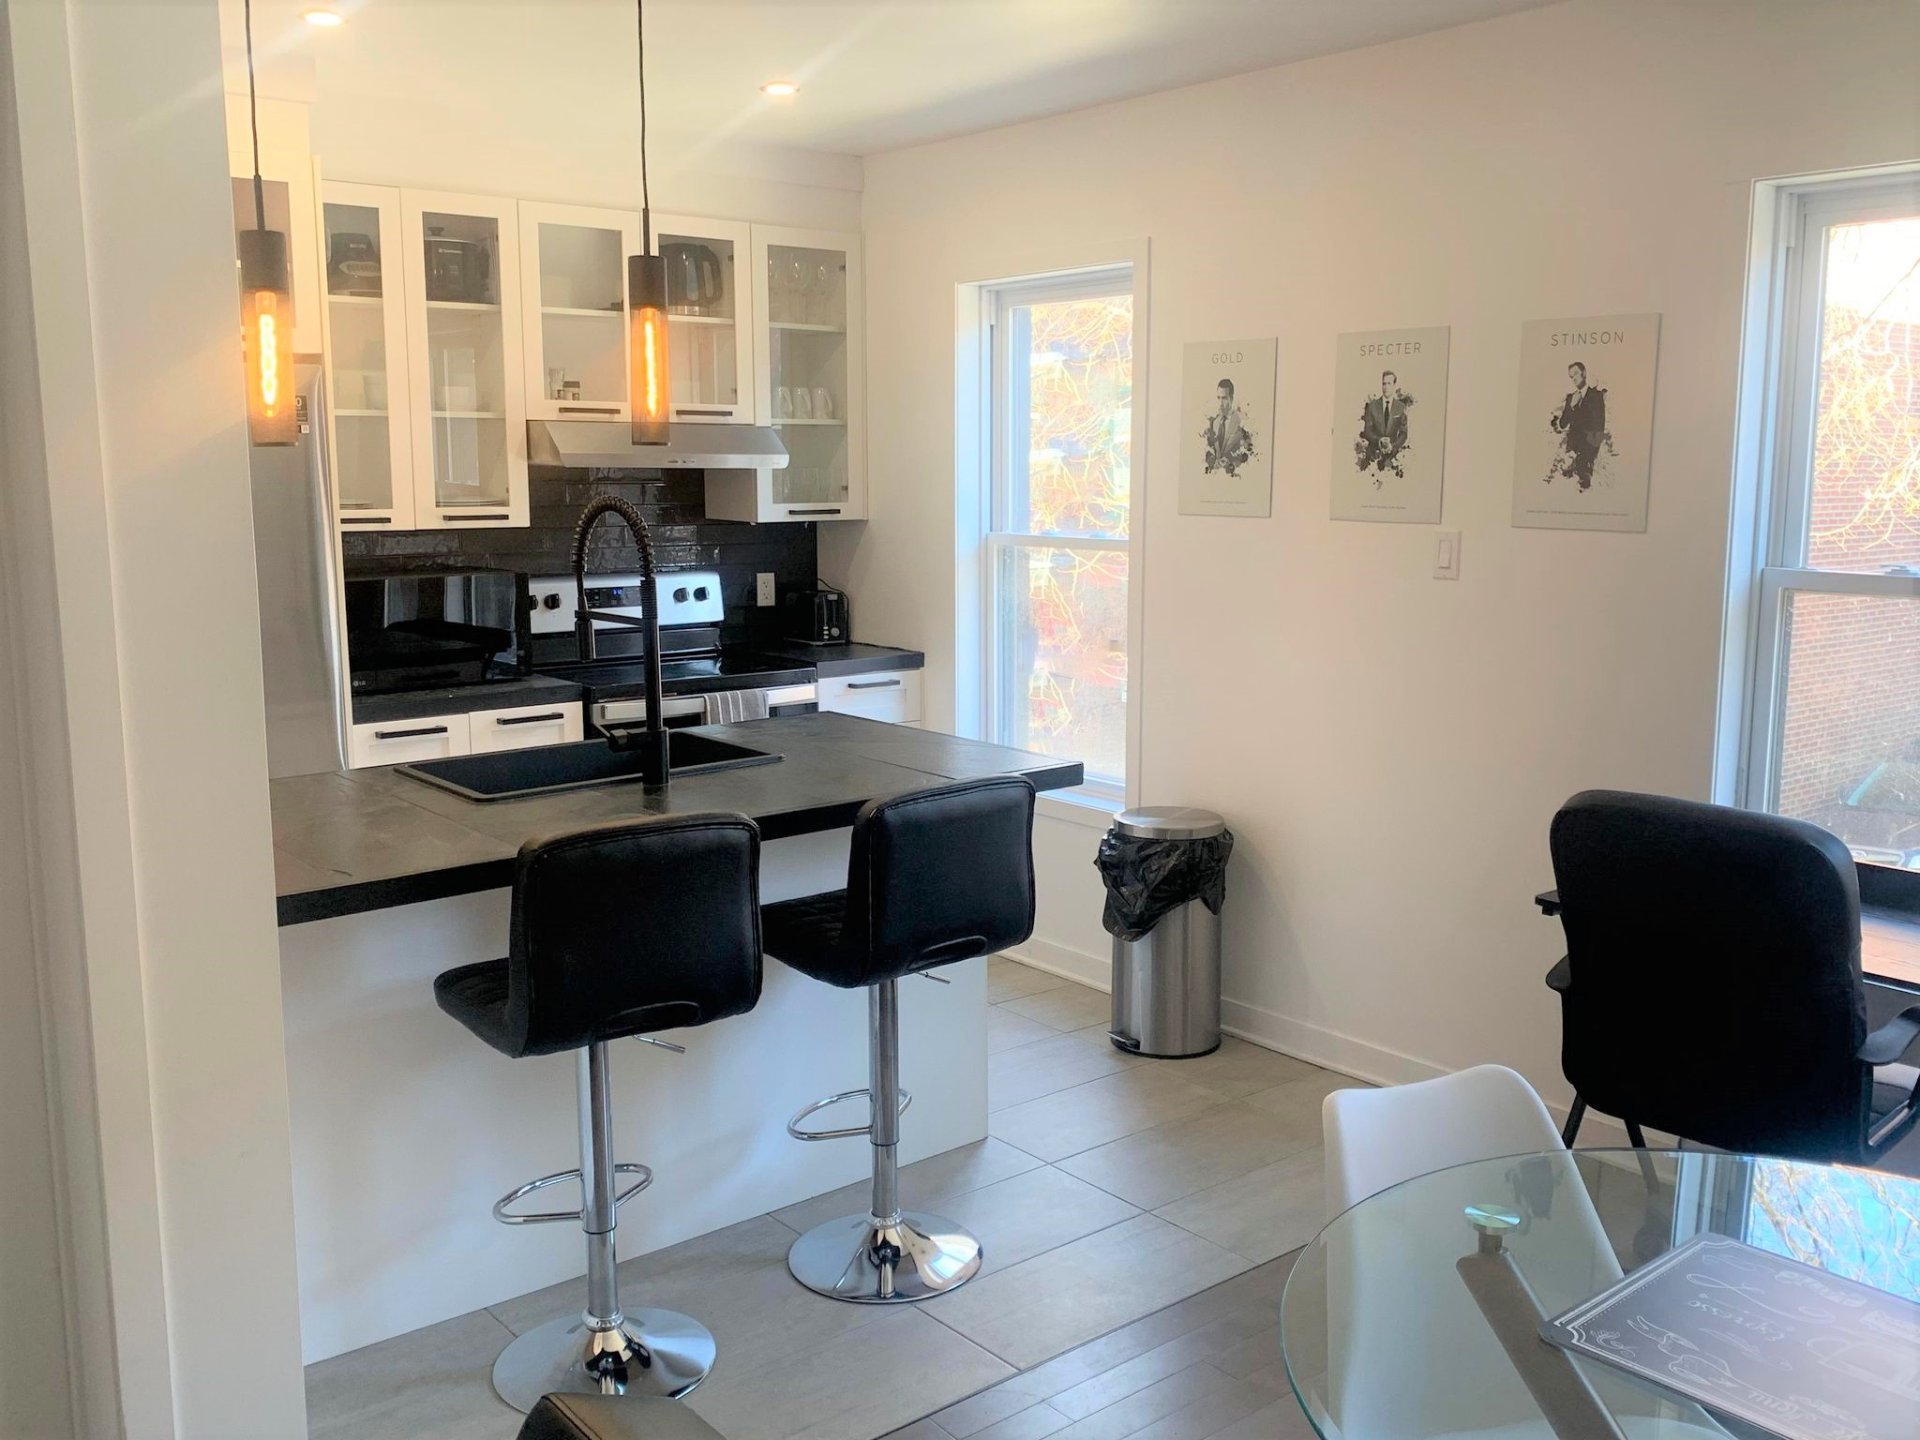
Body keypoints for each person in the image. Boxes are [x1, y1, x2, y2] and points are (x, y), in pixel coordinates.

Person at [1549, 362, 1607, 490]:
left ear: (1584, 373)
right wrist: (1571, 407)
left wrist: (1589, 455)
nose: (1574, 378)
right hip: (1570, 453)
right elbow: (1563, 424)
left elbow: (1599, 426)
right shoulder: (1570, 398)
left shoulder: (1596, 396)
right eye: (1571, 376)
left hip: (1587, 455)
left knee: (1584, 489)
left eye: (1576, 374)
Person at [1358, 370, 1410, 484]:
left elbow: (1403, 433)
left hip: (1393, 458)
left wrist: (1393, 446)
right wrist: (1379, 440)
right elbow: (1367, 431)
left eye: (1389, 383)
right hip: (1374, 457)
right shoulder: (1372, 406)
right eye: (1384, 384)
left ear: (1394, 385)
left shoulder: (1400, 407)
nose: (1386, 387)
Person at [1204, 377, 1252, 476]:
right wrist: (1214, 461)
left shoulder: (1241, 422)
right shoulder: (1214, 423)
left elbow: (1247, 451)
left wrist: (1230, 461)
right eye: (1218, 398)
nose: (1220, 403)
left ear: (1231, 399)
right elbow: (1209, 448)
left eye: (1224, 398)